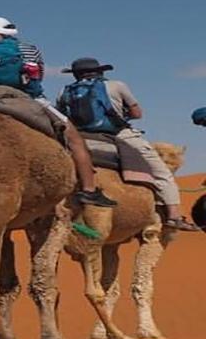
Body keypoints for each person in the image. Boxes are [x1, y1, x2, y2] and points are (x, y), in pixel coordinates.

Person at [0, 17, 114, 207]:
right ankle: (89, 190)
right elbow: (37, 76)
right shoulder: (28, 49)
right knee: (73, 138)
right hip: (26, 99)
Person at [57, 57, 196, 232]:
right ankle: (174, 216)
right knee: (162, 174)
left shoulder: (64, 91)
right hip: (117, 133)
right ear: (100, 71)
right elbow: (137, 113)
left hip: (79, 135)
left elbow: (63, 116)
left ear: (75, 75)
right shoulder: (116, 86)